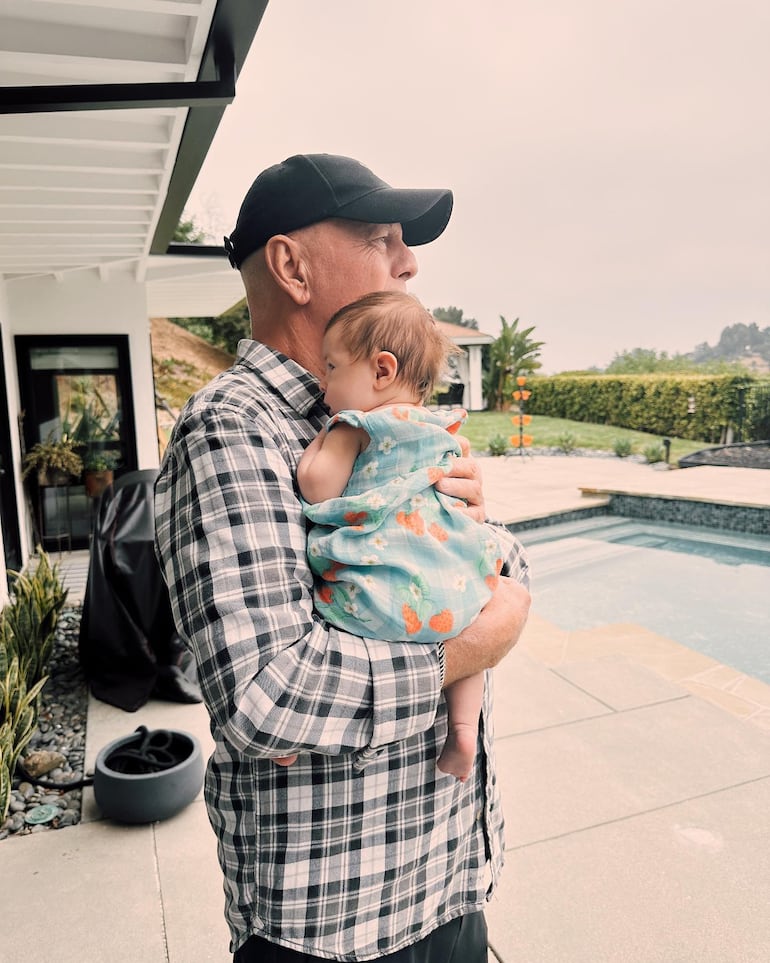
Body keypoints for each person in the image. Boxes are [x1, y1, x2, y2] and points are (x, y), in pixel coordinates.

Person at [154, 153, 531, 963]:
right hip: (337, 927)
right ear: (292, 265)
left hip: (449, 878)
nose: (409, 260)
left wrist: (477, 538)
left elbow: (498, 571)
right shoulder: (232, 433)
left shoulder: (395, 407)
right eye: (380, 236)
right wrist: (465, 646)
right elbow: (267, 693)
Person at [297, 290, 506, 782]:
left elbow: (317, 484)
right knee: (466, 632)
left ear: (381, 371)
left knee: (330, 610)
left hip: (381, 593)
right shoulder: (442, 427)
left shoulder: (356, 424)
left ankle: (292, 743)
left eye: (331, 367)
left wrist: (320, 439)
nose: (323, 384)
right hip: (448, 589)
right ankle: (461, 729)